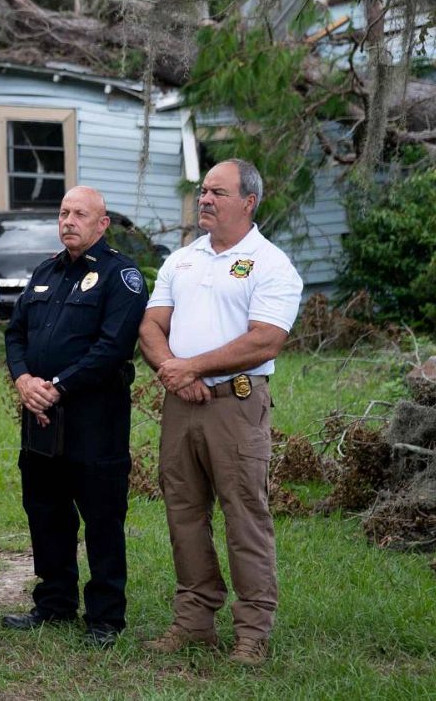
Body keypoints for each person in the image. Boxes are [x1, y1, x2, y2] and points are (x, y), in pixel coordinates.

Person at [139, 159, 303, 666]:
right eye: (203, 191)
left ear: (248, 202)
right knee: (184, 511)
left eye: (217, 192)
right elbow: (150, 325)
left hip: (236, 404)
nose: (204, 199)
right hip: (181, 404)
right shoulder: (182, 260)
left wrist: (192, 367)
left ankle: (252, 631)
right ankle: (194, 621)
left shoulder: (270, 263)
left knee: (244, 514)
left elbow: (265, 340)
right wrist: (175, 372)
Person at [0, 186, 147, 648]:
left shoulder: (120, 275)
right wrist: (24, 380)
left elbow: (113, 347)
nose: (68, 221)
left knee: (102, 517)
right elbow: (15, 334)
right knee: (46, 511)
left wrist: (58, 386)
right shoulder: (46, 272)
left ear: (102, 224)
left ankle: (105, 618)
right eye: (64, 213)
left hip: (94, 418)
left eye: (79, 214)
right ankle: (54, 603)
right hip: (41, 417)